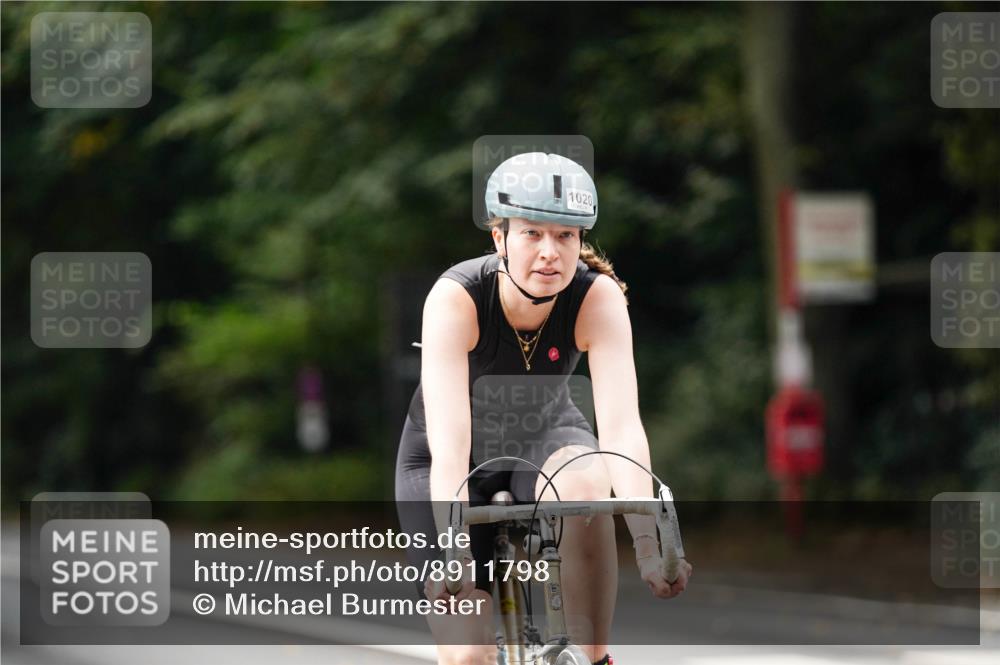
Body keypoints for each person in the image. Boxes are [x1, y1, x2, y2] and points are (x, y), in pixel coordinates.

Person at [395, 152, 692, 665]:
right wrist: (455, 548)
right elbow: (450, 447)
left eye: (566, 236)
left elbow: (622, 429)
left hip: (546, 434)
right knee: (468, 656)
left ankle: (591, 655)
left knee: (586, 482)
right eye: (532, 233)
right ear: (499, 238)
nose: (550, 253)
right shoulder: (457, 297)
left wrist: (650, 544)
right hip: (449, 460)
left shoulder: (597, 298)